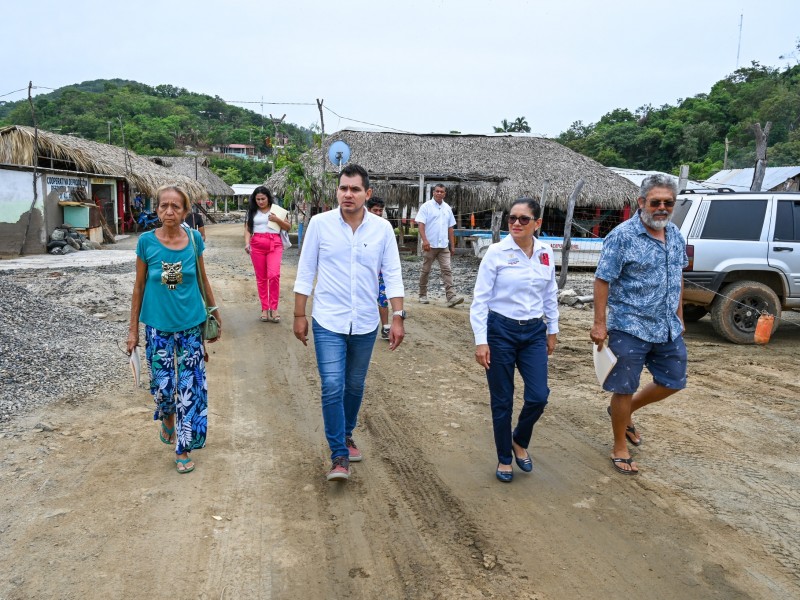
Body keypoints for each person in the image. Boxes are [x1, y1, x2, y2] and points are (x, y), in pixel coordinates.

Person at [293, 164, 405, 482]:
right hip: (328, 320)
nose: (348, 194)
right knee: (332, 385)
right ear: (337, 191)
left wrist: (397, 317)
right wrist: (299, 315)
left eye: (355, 189)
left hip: (366, 323)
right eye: (343, 188)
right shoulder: (319, 225)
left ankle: (346, 432)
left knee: (354, 386)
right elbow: (305, 272)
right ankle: (338, 455)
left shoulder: (382, 230)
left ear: (367, 194)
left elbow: (393, 276)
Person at [590, 174, 688, 476]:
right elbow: (602, 279)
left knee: (673, 381)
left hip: (667, 326)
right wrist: (599, 324)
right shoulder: (622, 236)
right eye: (655, 201)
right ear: (642, 202)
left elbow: (677, 277)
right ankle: (620, 445)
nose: (662, 207)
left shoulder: (674, 235)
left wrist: (680, 315)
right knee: (623, 387)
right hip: (628, 326)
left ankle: (627, 411)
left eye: (667, 203)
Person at [126, 184, 221, 474]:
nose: (169, 211)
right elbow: (139, 286)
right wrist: (132, 331)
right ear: (157, 209)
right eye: (164, 205)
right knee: (164, 389)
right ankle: (167, 416)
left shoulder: (194, 240)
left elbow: (203, 279)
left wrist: (214, 315)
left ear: (186, 212)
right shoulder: (146, 242)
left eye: (176, 206)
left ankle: (183, 447)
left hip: (191, 325)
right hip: (157, 328)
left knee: (188, 389)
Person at [470, 198, 559, 483]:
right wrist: (481, 341)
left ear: (537, 223)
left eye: (523, 219)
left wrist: (552, 329)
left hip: (533, 332)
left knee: (538, 396)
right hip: (500, 332)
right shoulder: (496, 253)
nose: (516, 224)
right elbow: (479, 300)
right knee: (502, 400)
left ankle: (519, 439)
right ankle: (504, 458)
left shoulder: (545, 253)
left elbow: (549, 293)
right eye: (512, 219)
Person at [244, 186, 291, 323]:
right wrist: (247, 243)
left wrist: (278, 220)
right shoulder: (252, 211)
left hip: (274, 243)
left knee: (274, 275)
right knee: (261, 278)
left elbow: (288, 227)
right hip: (257, 243)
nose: (260, 201)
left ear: (268, 198)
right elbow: (248, 229)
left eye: (263, 199)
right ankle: (265, 308)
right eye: (257, 199)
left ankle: (274, 307)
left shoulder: (277, 210)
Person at [416, 183, 464, 307]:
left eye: (441, 191)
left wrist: (452, 245)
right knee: (426, 270)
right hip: (430, 245)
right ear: (433, 192)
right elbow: (421, 225)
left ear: (444, 193)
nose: (439, 193)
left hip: (443, 246)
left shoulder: (447, 208)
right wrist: (425, 241)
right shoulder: (426, 207)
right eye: (437, 191)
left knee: (447, 270)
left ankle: (451, 297)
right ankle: (422, 295)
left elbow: (450, 228)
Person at [366, 196, 391, 340]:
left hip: (380, 270)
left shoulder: (384, 227)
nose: (378, 213)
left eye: (380, 210)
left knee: (383, 297)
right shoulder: (360, 225)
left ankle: (386, 326)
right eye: (375, 210)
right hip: (366, 269)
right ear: (368, 210)